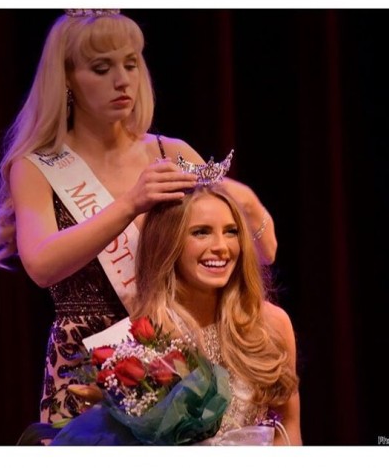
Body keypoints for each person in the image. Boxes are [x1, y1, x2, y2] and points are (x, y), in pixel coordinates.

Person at [0, 9, 277, 425]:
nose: (122, 80)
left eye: (130, 63)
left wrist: (249, 208)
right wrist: (128, 205)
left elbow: (262, 254)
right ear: (66, 78)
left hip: (177, 360)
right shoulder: (38, 167)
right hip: (86, 364)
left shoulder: (169, 152)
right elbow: (41, 264)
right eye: (101, 68)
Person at [129, 184, 301, 445]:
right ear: (168, 242)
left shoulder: (271, 323)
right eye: (201, 232)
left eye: (231, 232)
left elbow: (288, 426)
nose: (221, 246)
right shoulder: (146, 333)